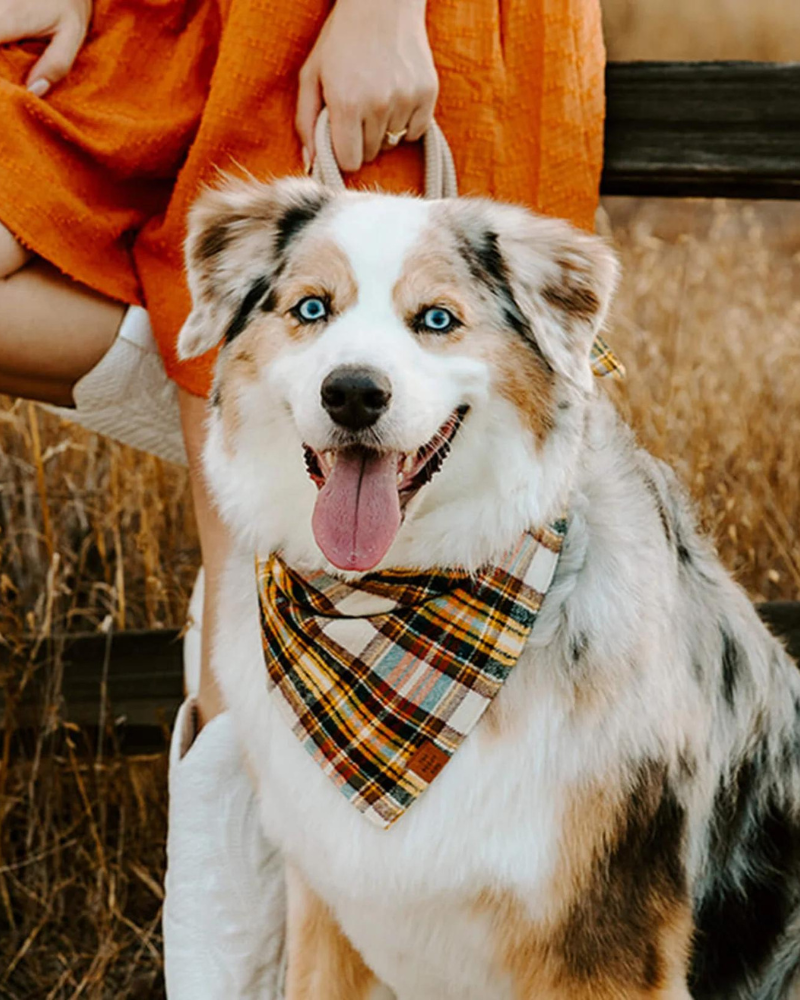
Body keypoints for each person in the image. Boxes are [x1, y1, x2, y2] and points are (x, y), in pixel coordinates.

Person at [0, 0, 606, 992]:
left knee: (272, 611)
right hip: (200, 30)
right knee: (269, 565)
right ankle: (244, 378)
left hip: (378, 26)